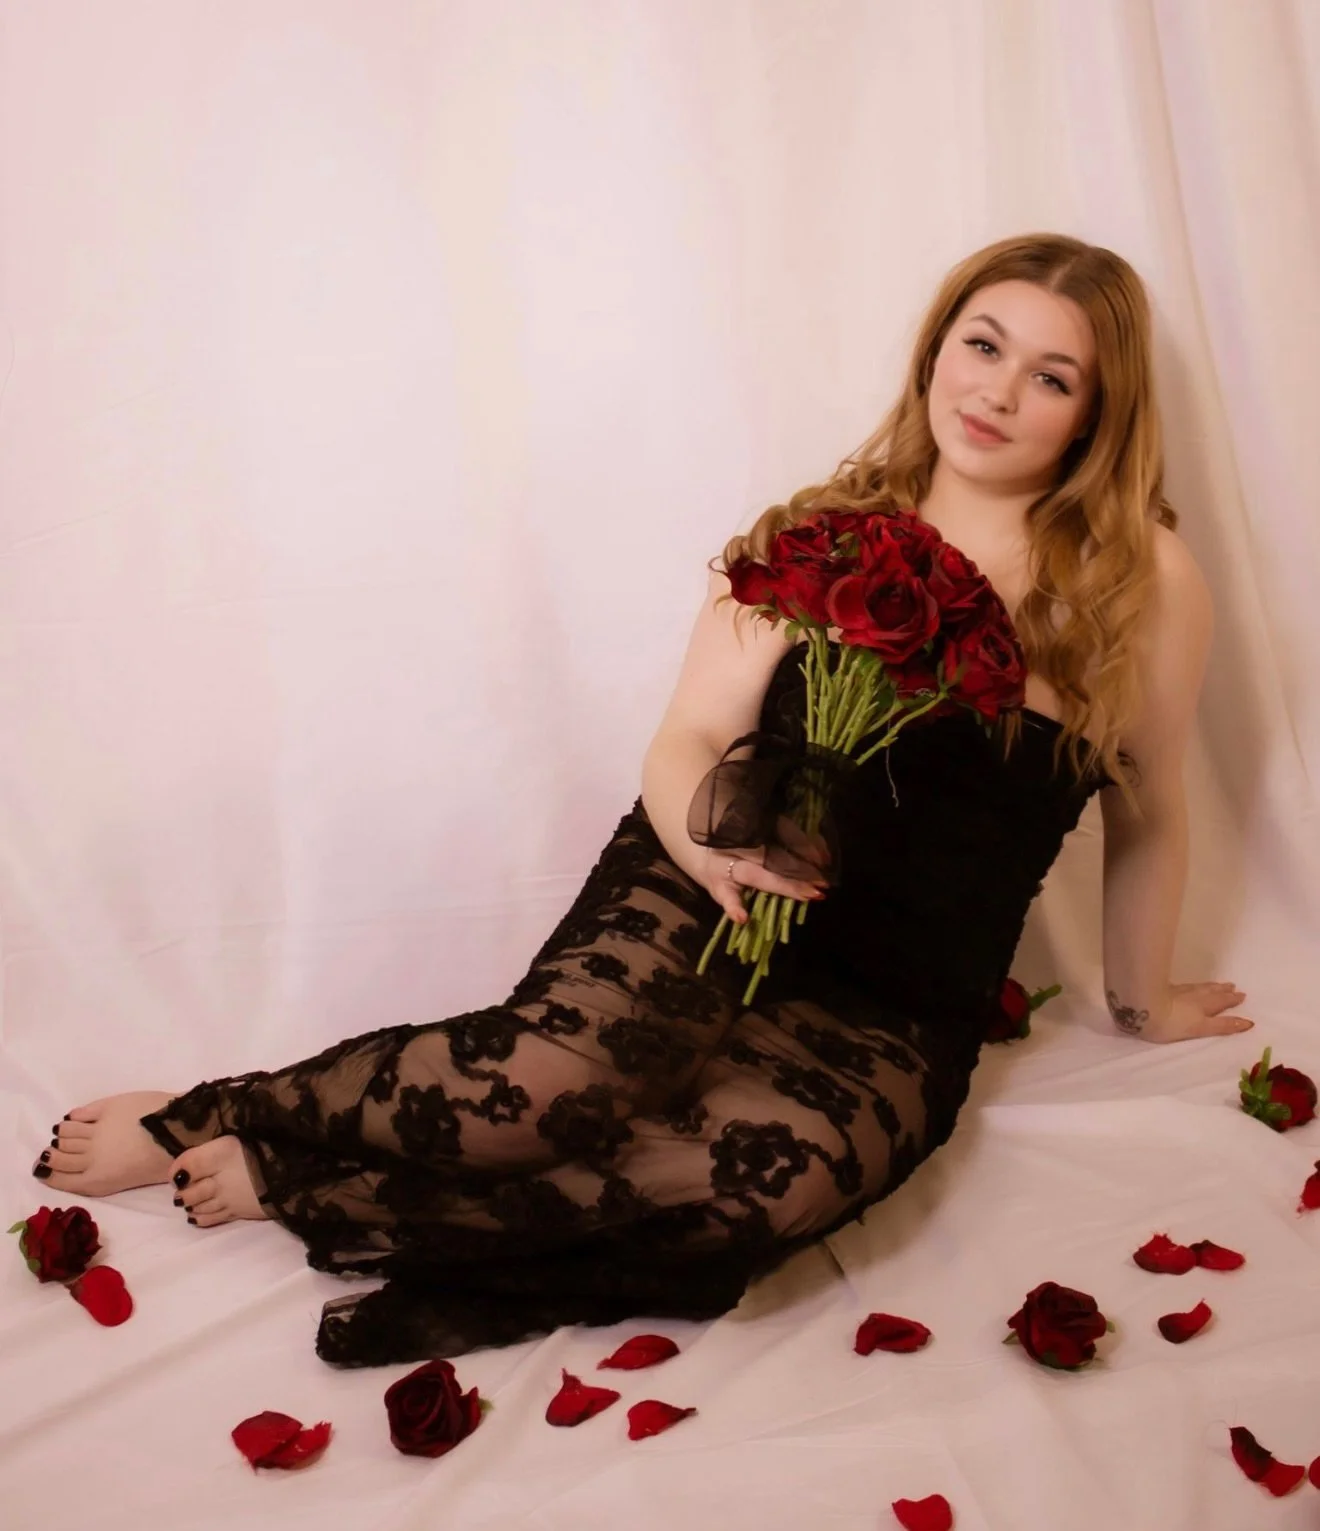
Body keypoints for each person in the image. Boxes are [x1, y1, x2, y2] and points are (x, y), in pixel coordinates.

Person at [30, 231, 1254, 1366]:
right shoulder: (829, 531)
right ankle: (218, 1112)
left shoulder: (1141, 582)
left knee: (754, 1195)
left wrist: (1145, 1001)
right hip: (704, 890)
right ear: (937, 349)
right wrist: (712, 858)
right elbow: (692, 739)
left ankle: (302, 1176)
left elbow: (1149, 808)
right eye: (982, 345)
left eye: (1052, 375)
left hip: (892, 1000)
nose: (995, 391)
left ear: (1098, 412)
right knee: (546, 1099)